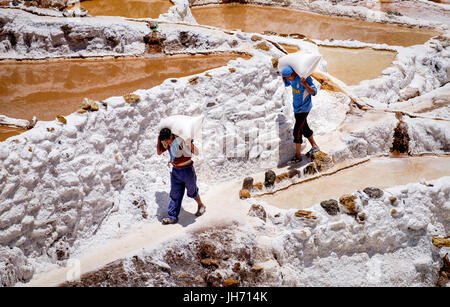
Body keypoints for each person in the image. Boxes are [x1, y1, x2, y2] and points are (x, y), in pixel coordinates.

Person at [157, 127, 206, 224]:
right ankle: (172, 217)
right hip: (176, 171)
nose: (167, 143)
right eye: (165, 141)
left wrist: (189, 143)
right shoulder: (165, 142)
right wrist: (159, 140)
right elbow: (159, 152)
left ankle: (201, 205)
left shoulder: (182, 140)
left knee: (192, 191)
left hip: (188, 170)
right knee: (175, 194)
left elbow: (196, 152)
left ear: (172, 136)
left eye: (168, 140)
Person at [281, 65, 320, 163]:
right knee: (304, 127)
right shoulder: (291, 79)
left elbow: (314, 92)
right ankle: (315, 146)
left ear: (293, 73)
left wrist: (305, 84)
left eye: (288, 77)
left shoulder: (304, 78)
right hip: (297, 108)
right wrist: (284, 78)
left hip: (304, 108)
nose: (289, 79)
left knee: (297, 131)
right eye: (287, 78)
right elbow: (287, 83)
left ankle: (298, 156)